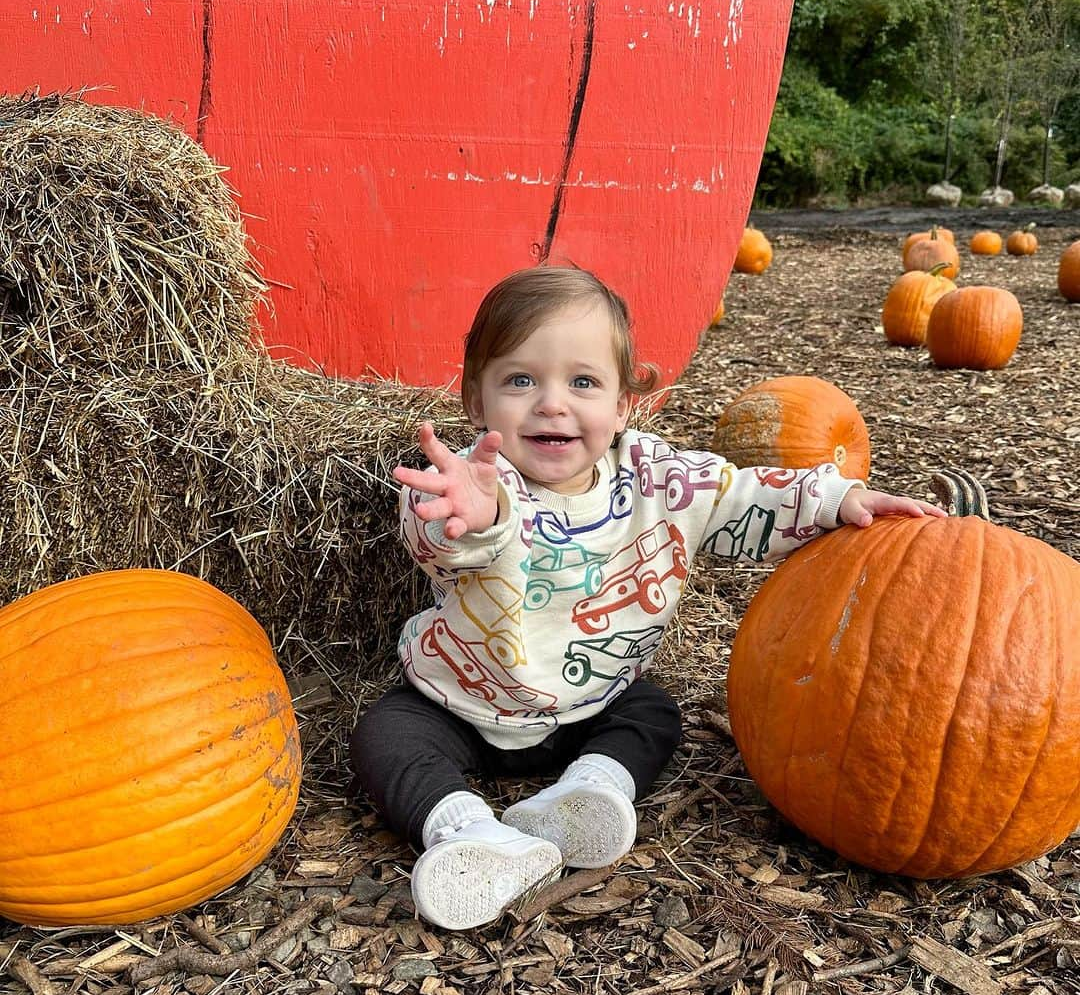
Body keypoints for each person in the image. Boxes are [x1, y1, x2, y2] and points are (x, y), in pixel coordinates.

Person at [350, 265, 945, 931]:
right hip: (462, 701)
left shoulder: (658, 479)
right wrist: (473, 516)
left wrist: (838, 499)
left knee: (655, 713)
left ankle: (591, 789)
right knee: (385, 736)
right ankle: (465, 830)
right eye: (520, 380)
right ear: (476, 402)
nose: (552, 403)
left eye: (583, 382)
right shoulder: (473, 483)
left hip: (594, 703)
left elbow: (743, 497)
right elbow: (441, 538)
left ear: (625, 405)